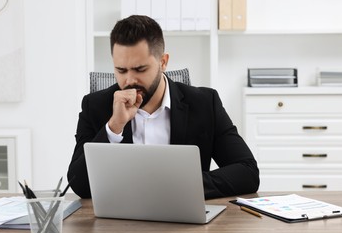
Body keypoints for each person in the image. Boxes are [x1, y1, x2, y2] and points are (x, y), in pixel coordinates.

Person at [68, 15, 259, 199]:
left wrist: (182, 187)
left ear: (163, 62)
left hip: (184, 222)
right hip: (120, 225)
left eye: (140, 69)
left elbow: (247, 172)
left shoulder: (204, 103)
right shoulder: (94, 106)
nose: (129, 80)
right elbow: (79, 185)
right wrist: (113, 127)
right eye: (121, 70)